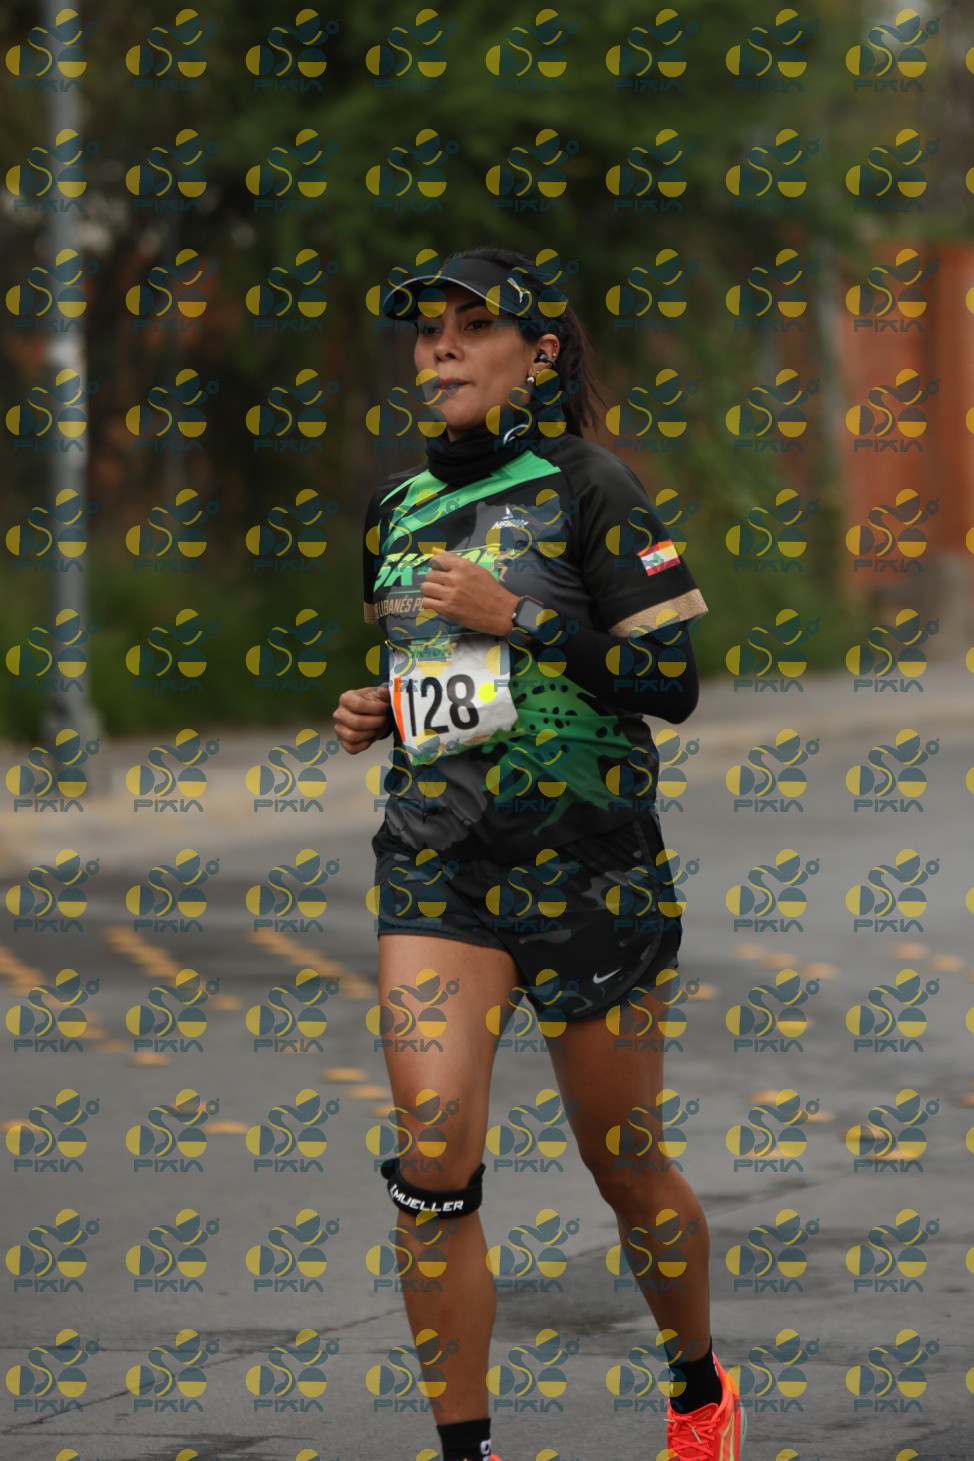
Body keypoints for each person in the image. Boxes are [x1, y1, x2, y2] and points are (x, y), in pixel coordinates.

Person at [333, 245, 743, 1461]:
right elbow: (453, 686)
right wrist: (384, 708)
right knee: (431, 1162)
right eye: (428, 332)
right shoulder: (392, 511)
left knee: (625, 1168)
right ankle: (466, 1450)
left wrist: (514, 613)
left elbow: (668, 683)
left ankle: (696, 1392)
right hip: (437, 864)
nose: (441, 349)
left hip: (588, 864)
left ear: (538, 353)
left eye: (472, 328)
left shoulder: (590, 485)